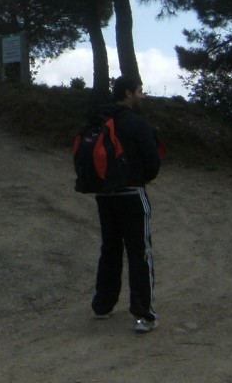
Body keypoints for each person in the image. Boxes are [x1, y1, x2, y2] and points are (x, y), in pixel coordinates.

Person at [90, 75, 162, 333]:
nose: (142, 96)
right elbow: (153, 162)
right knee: (139, 251)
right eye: (140, 91)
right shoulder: (137, 123)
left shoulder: (99, 119)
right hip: (132, 193)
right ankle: (144, 313)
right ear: (130, 93)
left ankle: (103, 305)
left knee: (110, 248)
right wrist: (142, 177)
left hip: (104, 195)